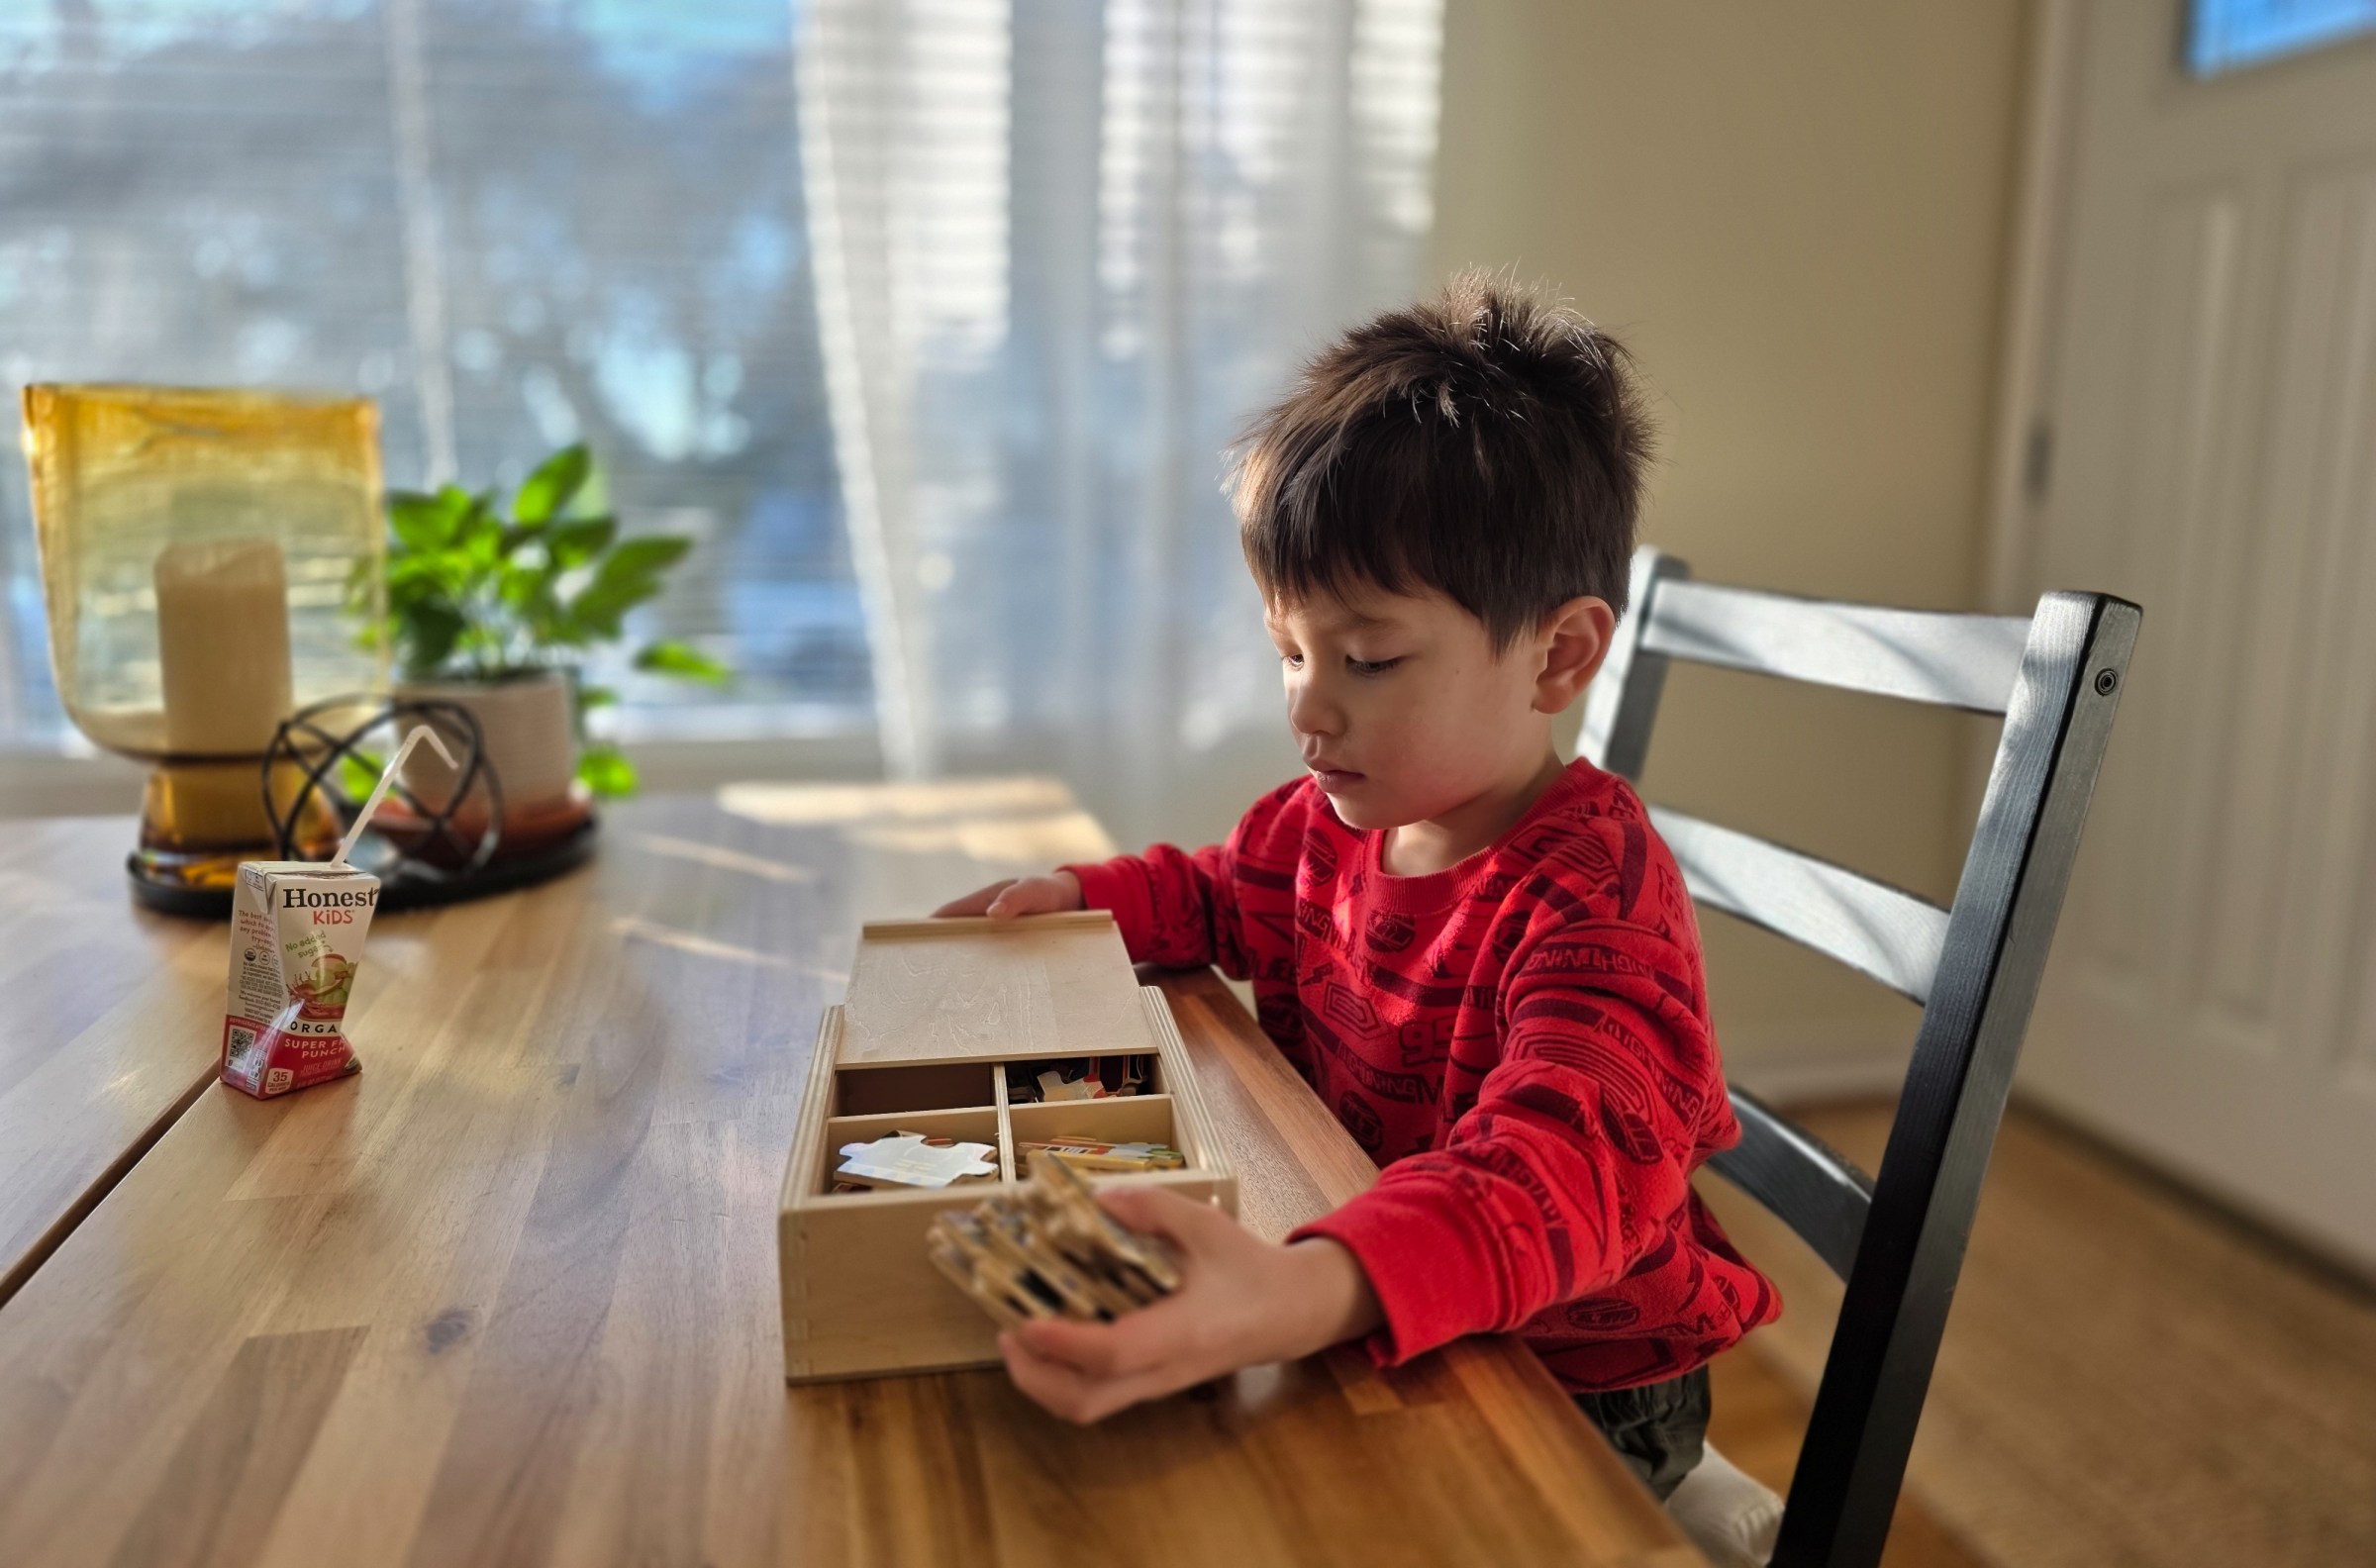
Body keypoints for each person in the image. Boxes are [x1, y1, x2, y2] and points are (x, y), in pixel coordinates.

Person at [934, 272, 1779, 1499]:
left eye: (1369, 657)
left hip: (1574, 1386)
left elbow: (1562, 1170)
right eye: (1288, 649)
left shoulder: (1594, 897)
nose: (1307, 705)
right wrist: (1088, 893)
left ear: (1559, 655)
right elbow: (1226, 892)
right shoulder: (1330, 824)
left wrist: (1301, 1289)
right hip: (1373, 1275)